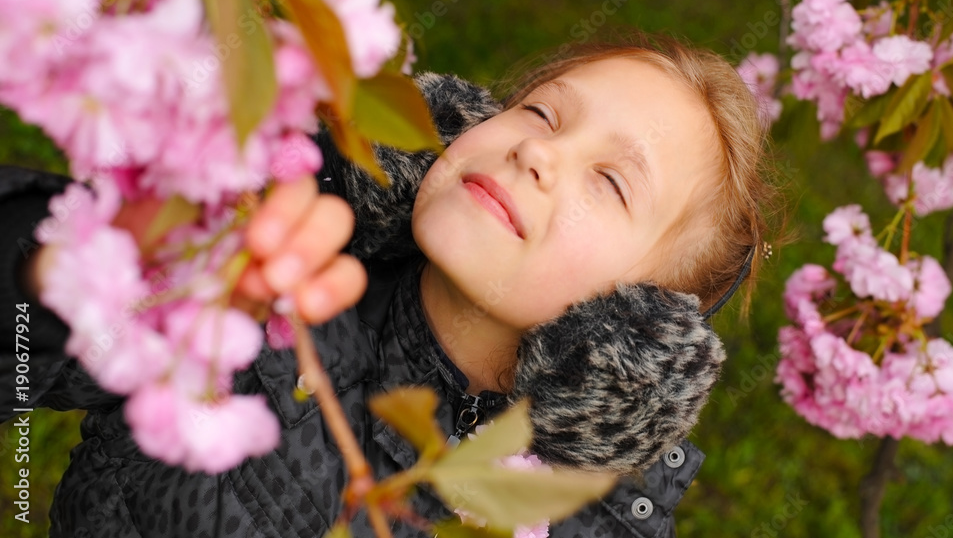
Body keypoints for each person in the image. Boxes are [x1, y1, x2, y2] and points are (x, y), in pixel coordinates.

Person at [0, 32, 782, 537]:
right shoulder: (277, 261)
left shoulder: (590, 520)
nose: (540, 154)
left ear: (634, 325)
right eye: (542, 113)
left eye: (610, 181)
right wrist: (68, 268)